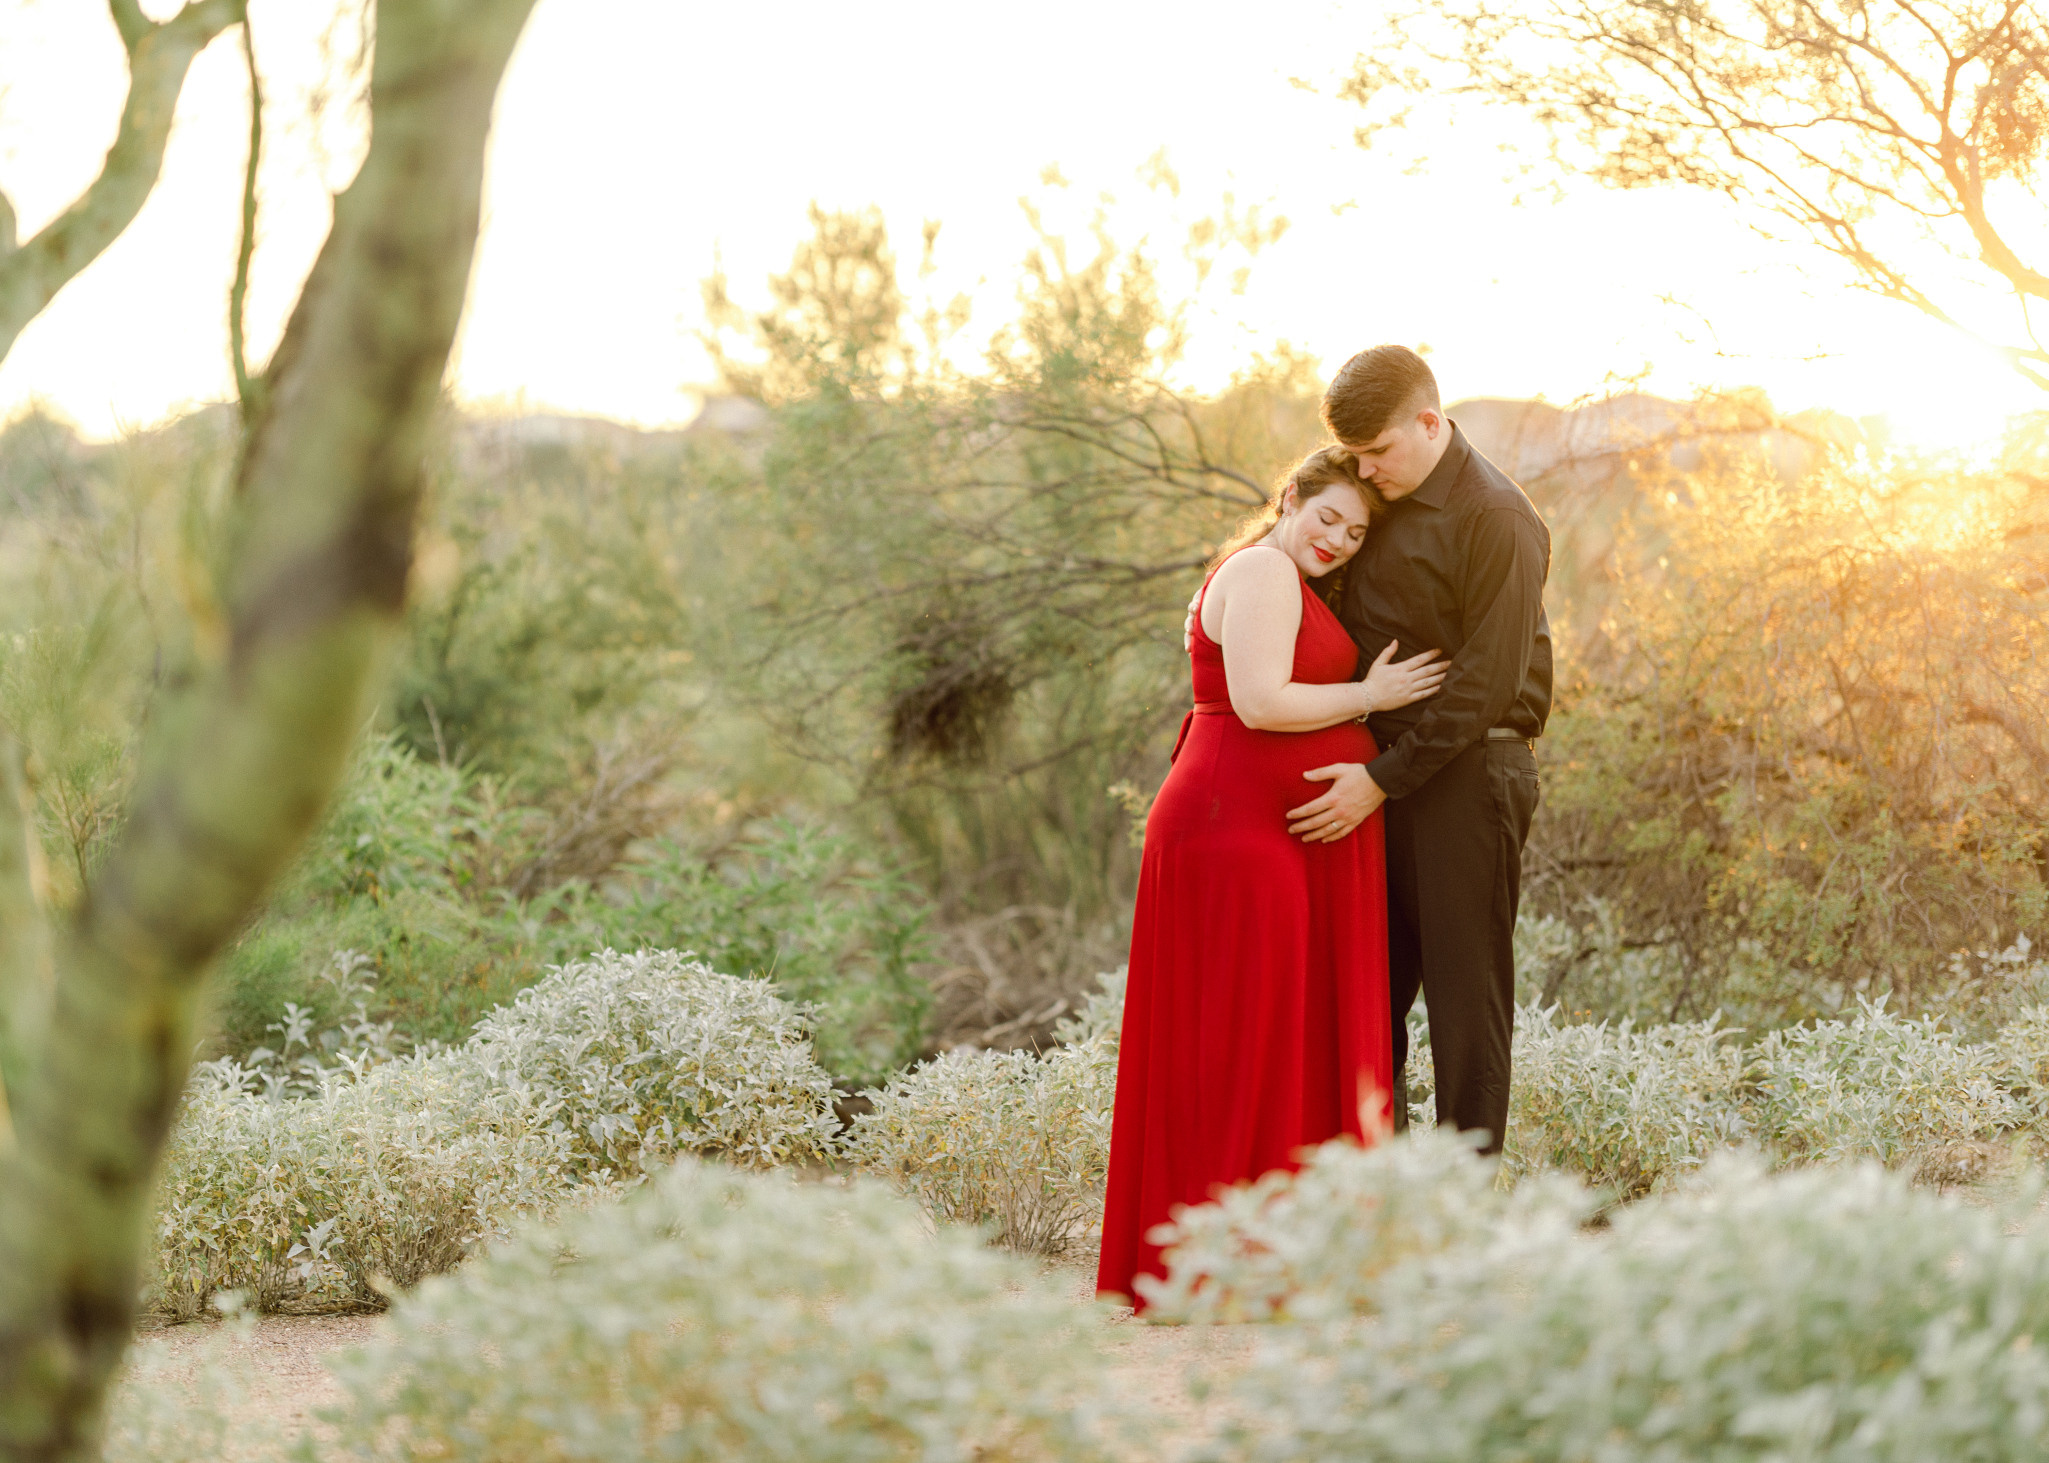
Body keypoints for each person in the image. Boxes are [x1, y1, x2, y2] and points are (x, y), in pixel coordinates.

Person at [1096, 446, 1448, 1309]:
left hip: (1272, 830)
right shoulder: (1258, 566)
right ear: (1288, 498)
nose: (1336, 538)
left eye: (1356, 532)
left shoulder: (1287, 577)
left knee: (1268, 1032)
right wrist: (1371, 695)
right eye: (1326, 516)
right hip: (1237, 830)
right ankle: (1224, 1255)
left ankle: (1261, 1247)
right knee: (1241, 1036)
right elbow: (1258, 702)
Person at [1283, 345, 1552, 1153]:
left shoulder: (1496, 517)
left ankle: (1459, 1213)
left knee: (1466, 1006)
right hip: (1378, 776)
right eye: (1355, 455)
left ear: (1429, 423)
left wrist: (1380, 779)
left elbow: (1486, 683)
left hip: (1467, 779)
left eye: (1378, 452)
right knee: (1369, 998)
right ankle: (1384, 1200)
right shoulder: (1383, 497)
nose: (1365, 471)